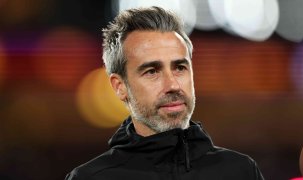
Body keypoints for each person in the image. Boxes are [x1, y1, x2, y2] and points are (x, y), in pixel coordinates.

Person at [66, 6, 264, 180]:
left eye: (179, 67)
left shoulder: (241, 171)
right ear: (120, 86)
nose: (173, 85)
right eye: (152, 71)